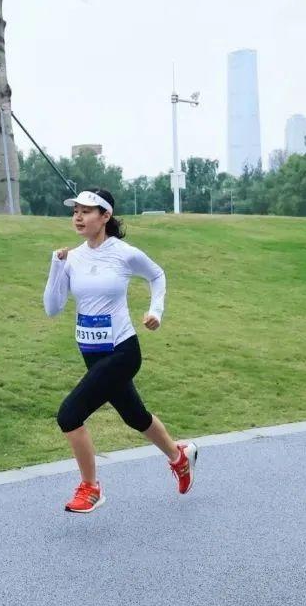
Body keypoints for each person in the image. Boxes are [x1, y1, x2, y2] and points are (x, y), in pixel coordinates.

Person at [43, 188, 197, 513]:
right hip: (91, 353)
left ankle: (90, 488)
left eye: (86, 211)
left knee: (69, 415)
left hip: (122, 351)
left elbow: (157, 275)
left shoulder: (124, 253)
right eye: (75, 211)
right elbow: (53, 308)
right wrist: (56, 266)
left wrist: (156, 311)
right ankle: (179, 457)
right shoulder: (71, 258)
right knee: (135, 416)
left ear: (105, 216)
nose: (78, 217)